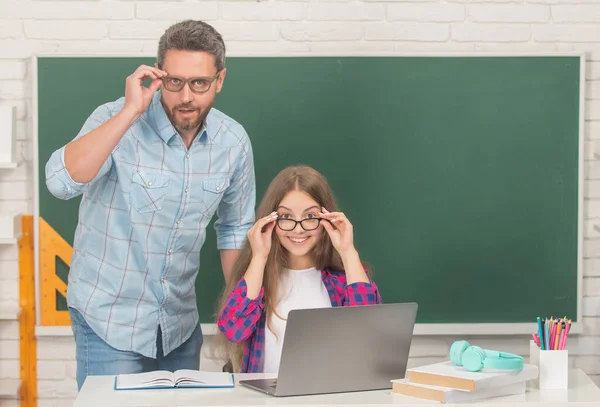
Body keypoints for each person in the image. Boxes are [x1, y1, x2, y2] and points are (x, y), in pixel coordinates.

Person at [44, 20, 256, 390]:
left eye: (199, 83)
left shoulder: (233, 142)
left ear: (219, 80)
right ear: (158, 76)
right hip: (108, 320)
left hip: (178, 325)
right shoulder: (115, 118)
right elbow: (60, 183)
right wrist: (129, 112)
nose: (186, 96)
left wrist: (242, 312)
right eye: (174, 82)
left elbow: (234, 229)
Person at [215, 166, 381, 373]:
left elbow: (368, 336)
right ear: (271, 221)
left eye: (310, 216)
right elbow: (233, 330)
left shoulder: (342, 281)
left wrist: (348, 251)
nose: (298, 228)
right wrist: (259, 256)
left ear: (326, 219)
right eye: (286, 217)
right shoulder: (259, 280)